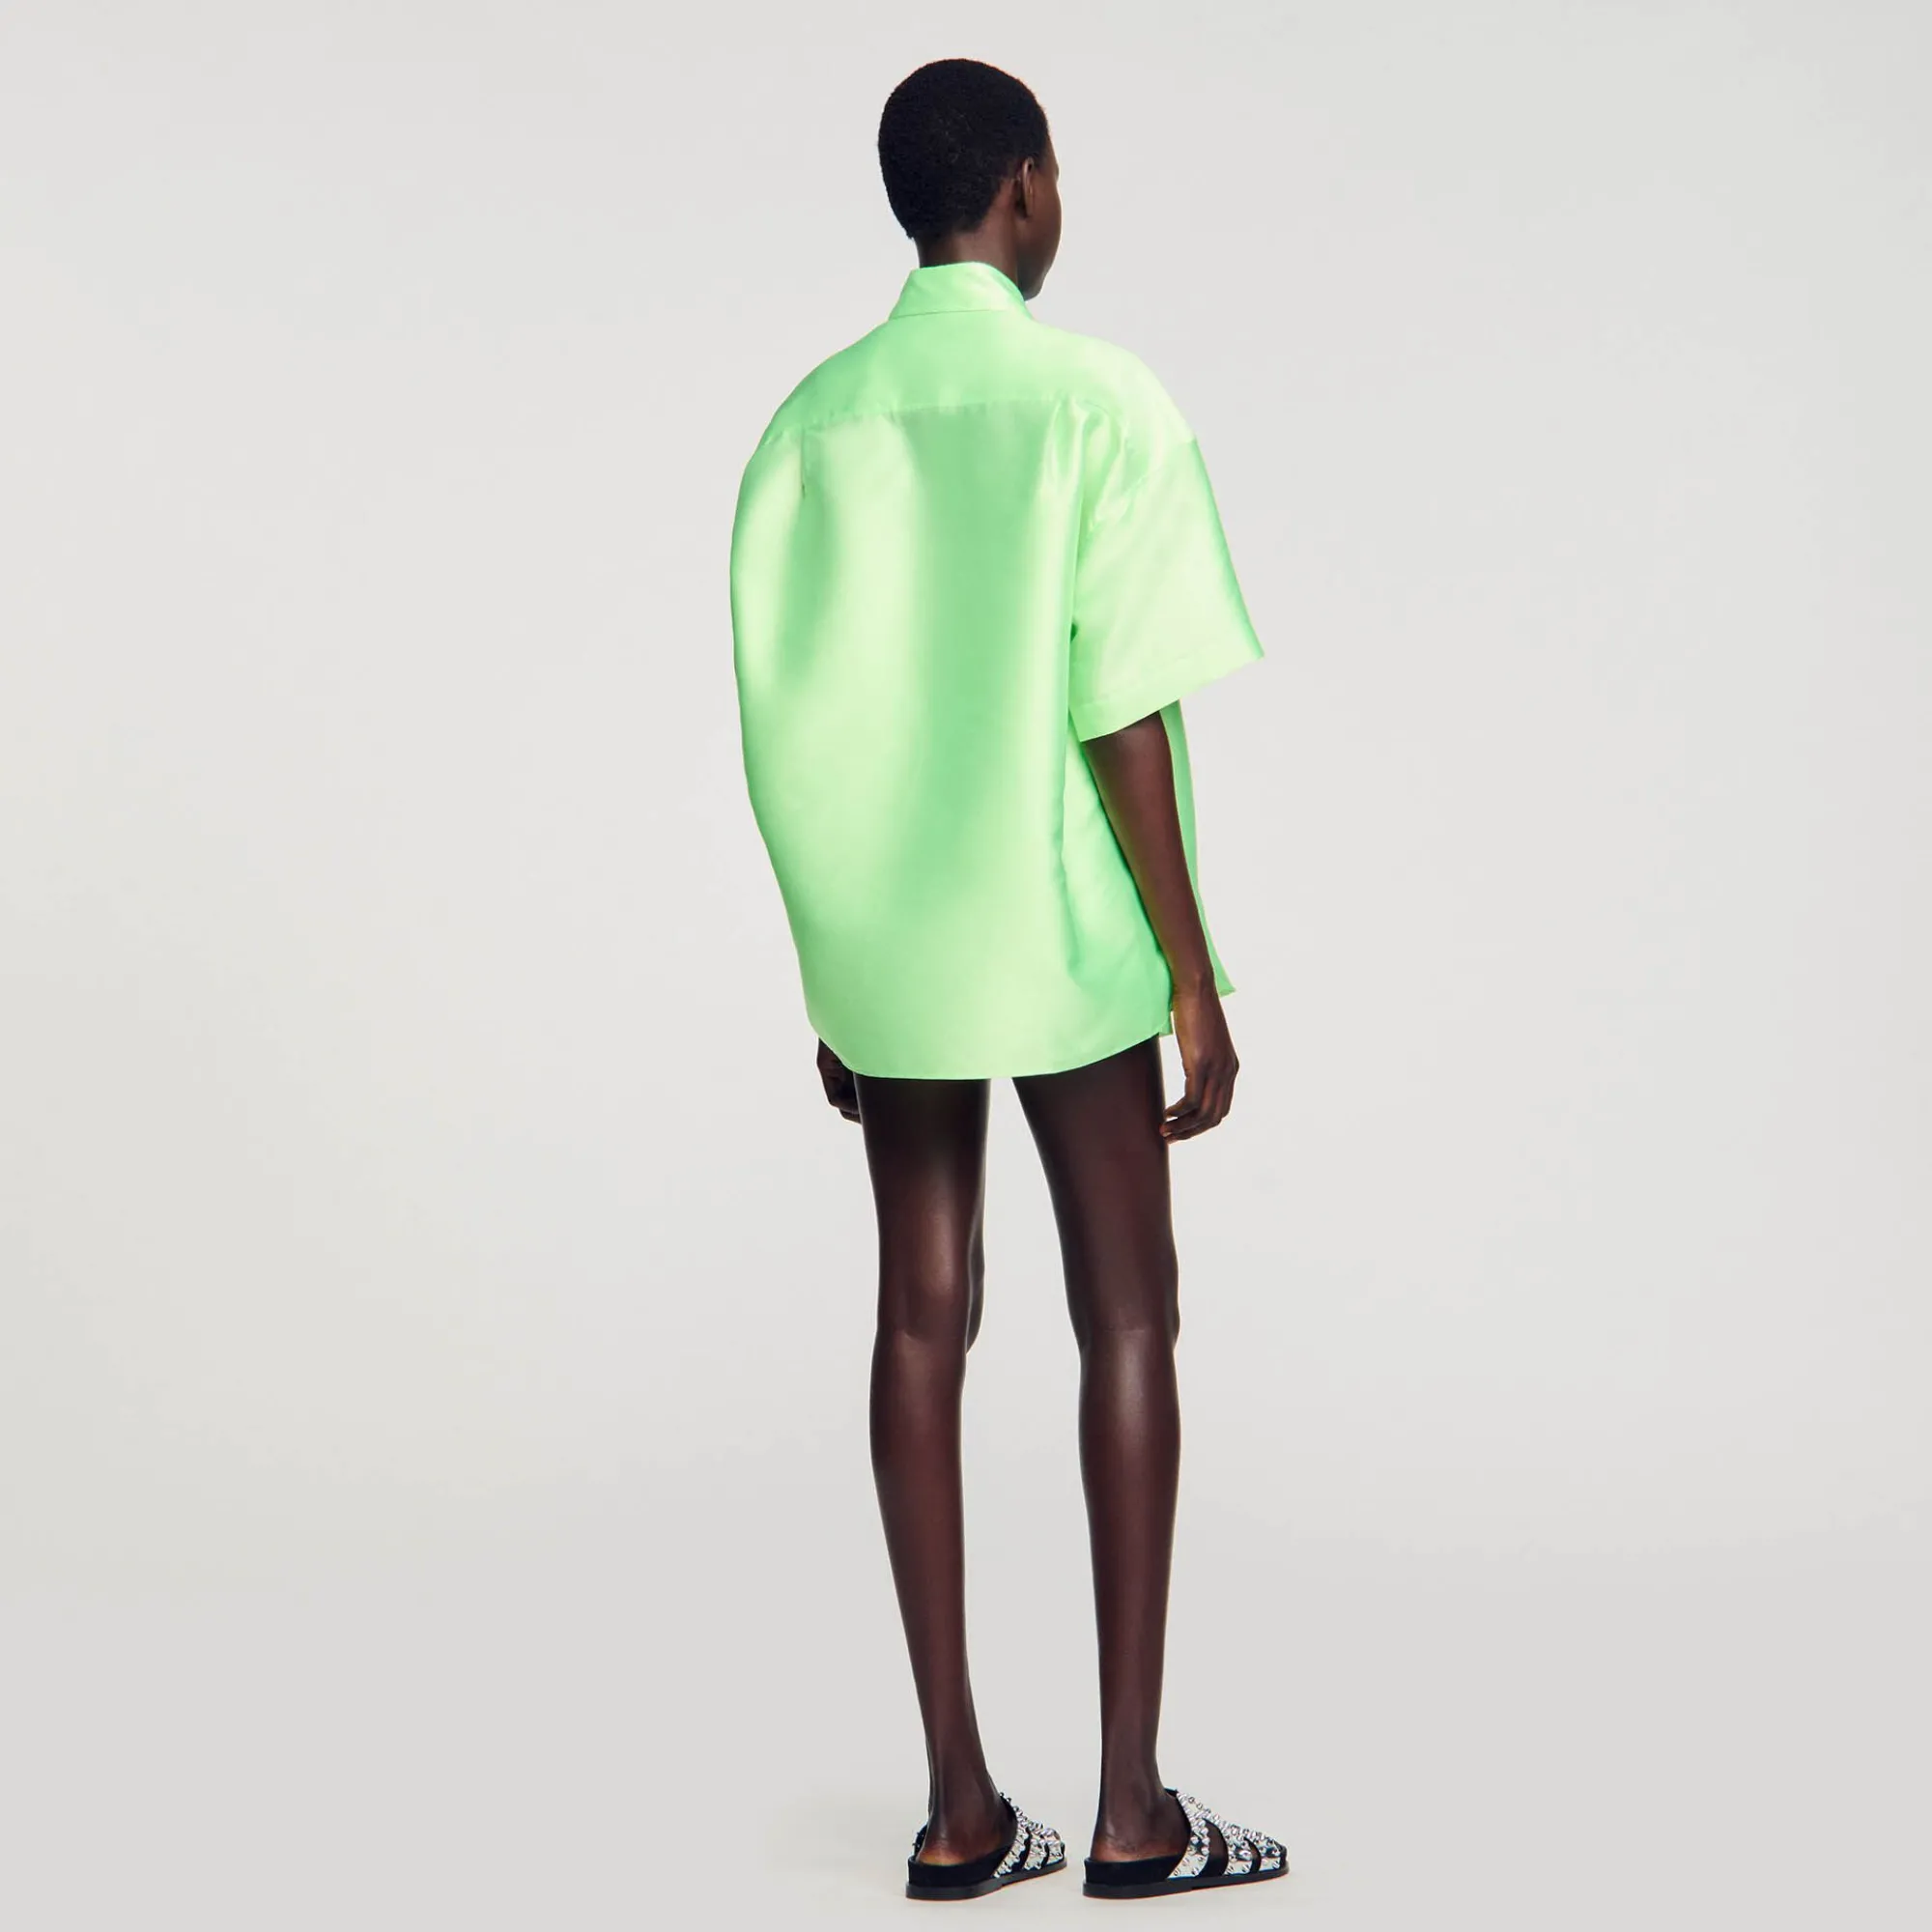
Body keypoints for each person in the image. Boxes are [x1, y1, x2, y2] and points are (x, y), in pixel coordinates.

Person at [728, 57, 1287, 1903]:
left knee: (921, 1315)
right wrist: (1193, 975)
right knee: (1127, 1315)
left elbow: (786, 728)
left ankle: (961, 1815)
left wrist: (834, 970)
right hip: (1062, 932)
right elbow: (1121, 712)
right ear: (1027, 187)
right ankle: (1131, 1815)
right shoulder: (1097, 404)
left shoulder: (810, 430)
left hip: (893, 948)